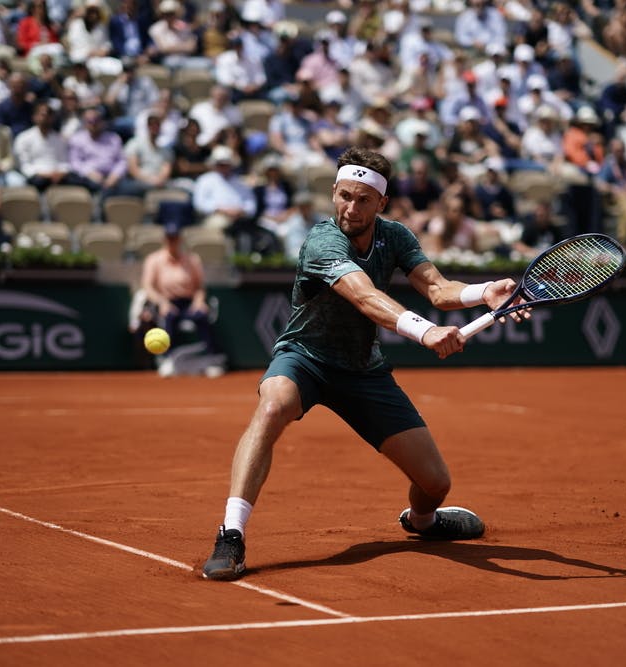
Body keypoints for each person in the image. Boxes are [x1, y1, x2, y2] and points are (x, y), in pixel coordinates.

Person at [201, 146, 525, 581]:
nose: (350, 208)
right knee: (274, 404)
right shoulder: (322, 240)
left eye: (363, 200)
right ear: (334, 192)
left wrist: (483, 292)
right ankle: (231, 534)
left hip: (362, 370)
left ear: (382, 203)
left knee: (435, 483)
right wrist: (424, 331)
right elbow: (364, 296)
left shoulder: (396, 236)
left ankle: (423, 522)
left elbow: (437, 288)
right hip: (305, 358)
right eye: (343, 196)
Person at [138, 219, 224, 378]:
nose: (172, 241)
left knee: (202, 315)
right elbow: (148, 286)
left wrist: (199, 302)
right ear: (164, 239)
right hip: (166, 302)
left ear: (180, 239)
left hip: (189, 302)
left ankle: (212, 360)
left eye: (175, 237)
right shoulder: (154, 260)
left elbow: (199, 287)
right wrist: (162, 303)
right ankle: (167, 361)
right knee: (168, 316)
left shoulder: (192, 259)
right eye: (169, 237)